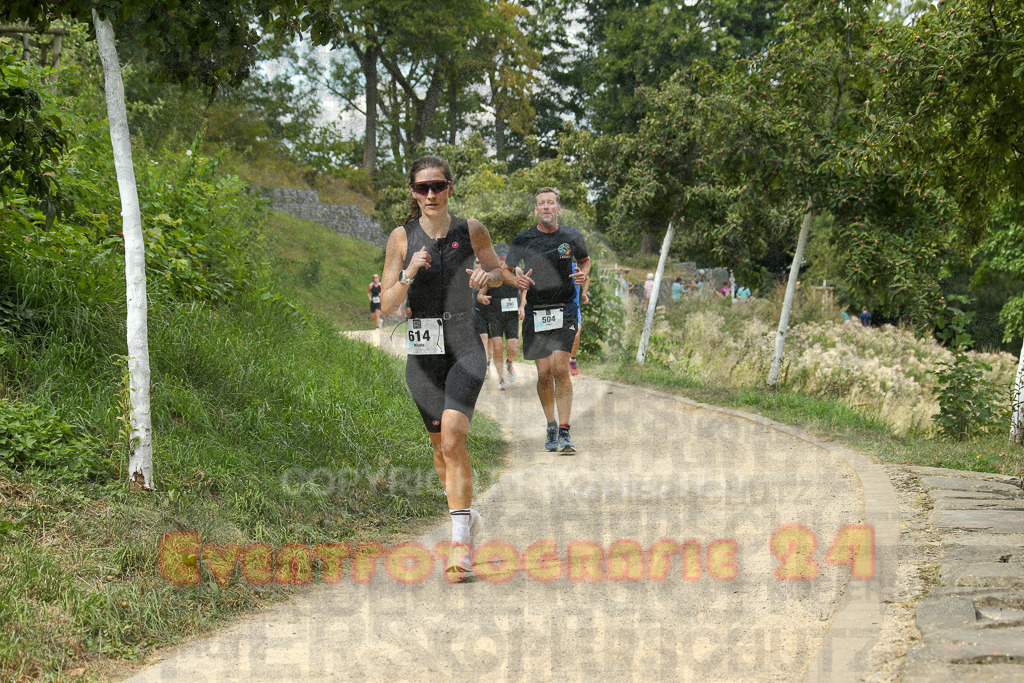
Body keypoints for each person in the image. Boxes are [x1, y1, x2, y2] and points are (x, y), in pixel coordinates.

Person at [378, 155, 508, 581]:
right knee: (440, 448)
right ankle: (465, 517)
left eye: (438, 186)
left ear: (450, 187)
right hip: (423, 349)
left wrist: (487, 279)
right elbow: (388, 305)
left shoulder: (471, 230)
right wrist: (410, 272)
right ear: (413, 193)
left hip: (465, 339)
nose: (431, 194)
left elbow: (498, 272)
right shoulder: (401, 237)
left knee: (453, 435)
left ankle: (460, 544)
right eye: (422, 188)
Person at [504, 187, 590, 453]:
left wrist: (583, 274)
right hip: (537, 312)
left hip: (565, 309)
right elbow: (506, 270)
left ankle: (565, 431)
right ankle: (551, 425)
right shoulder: (524, 238)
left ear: (558, 209)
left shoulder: (571, 236)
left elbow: (585, 261)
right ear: (536, 210)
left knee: (561, 368)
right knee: (544, 373)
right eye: (541, 203)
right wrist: (516, 281)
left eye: (550, 203)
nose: (546, 207)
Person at [477, 243, 521, 390]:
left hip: (512, 315)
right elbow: (480, 294)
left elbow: (525, 289)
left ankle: (509, 363)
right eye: (499, 255)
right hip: (495, 314)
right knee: (497, 347)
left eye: (504, 255)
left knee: (512, 348)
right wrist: (482, 298)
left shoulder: (516, 270)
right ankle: (501, 379)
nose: (502, 258)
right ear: (495, 257)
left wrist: (522, 306)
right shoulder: (491, 274)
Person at [568, 261, 588, 376]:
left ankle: (573, 360)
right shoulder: (553, 266)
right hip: (557, 308)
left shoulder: (574, 267)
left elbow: (587, 278)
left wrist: (584, 293)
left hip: (573, 307)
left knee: (576, 334)